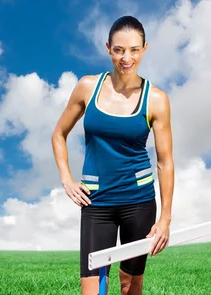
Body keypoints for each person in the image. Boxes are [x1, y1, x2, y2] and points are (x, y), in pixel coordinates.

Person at [51, 15, 175, 295]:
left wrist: (165, 218)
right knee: (91, 289)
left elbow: (165, 162)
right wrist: (67, 180)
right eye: (119, 50)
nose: (126, 57)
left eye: (133, 50)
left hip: (139, 203)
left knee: (130, 285)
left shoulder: (156, 99)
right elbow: (58, 134)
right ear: (108, 48)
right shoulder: (87, 87)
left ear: (144, 49)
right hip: (97, 203)